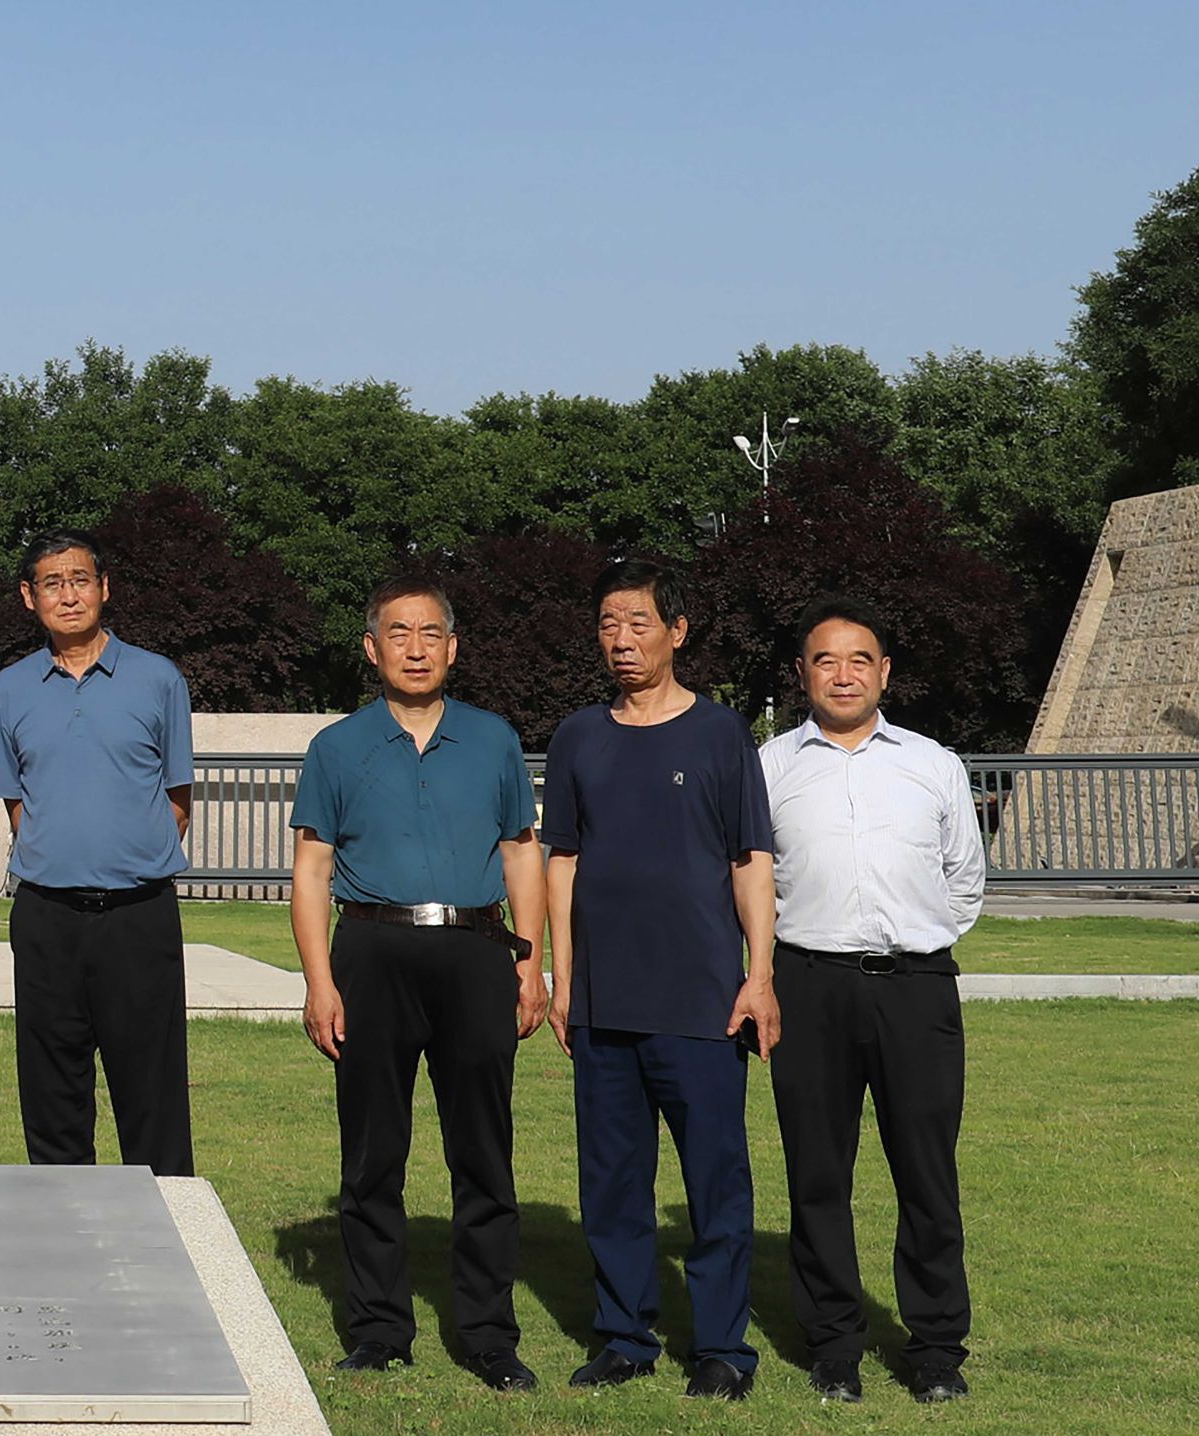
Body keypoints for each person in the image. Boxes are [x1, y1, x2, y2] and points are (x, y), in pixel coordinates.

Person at [288, 576, 548, 1394]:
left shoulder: (494, 739)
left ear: (453, 646)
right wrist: (319, 982)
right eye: (398, 633)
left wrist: (530, 960)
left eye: (430, 632)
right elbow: (311, 870)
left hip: (476, 950)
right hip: (373, 951)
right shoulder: (337, 746)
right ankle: (378, 1331)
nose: (415, 648)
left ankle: (489, 1336)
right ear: (372, 649)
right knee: (372, 1154)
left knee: (483, 1152)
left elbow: (521, 853)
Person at [543, 553, 781, 1399]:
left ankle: (722, 1349)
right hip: (604, 1000)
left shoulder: (721, 735)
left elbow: (750, 861)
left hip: (703, 1001)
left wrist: (760, 975)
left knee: (715, 1180)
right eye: (608, 623)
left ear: (677, 631)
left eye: (638, 622)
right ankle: (624, 1337)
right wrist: (563, 978)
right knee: (611, 1181)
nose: (621, 639)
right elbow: (562, 860)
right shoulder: (577, 737)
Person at [760, 597, 986, 1406]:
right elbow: (748, 878)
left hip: (916, 989)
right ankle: (834, 1346)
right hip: (808, 986)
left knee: (927, 1173)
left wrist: (911, 940)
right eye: (826, 660)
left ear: (884, 672)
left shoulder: (933, 764)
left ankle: (936, 1349)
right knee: (817, 1173)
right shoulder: (770, 767)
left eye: (860, 660)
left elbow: (963, 879)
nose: (844, 674)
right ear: (802, 674)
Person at [0, 528, 197, 1175]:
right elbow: (18, 806)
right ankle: (63, 1229)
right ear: (29, 597)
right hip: (47, 919)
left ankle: (164, 1227)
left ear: (104, 588)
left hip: (139, 917)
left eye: (80, 580)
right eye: (52, 583)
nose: (68, 595)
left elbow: (177, 800)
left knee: (152, 1093)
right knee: (52, 1096)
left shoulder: (158, 680)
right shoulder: (10, 690)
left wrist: (123, 856)